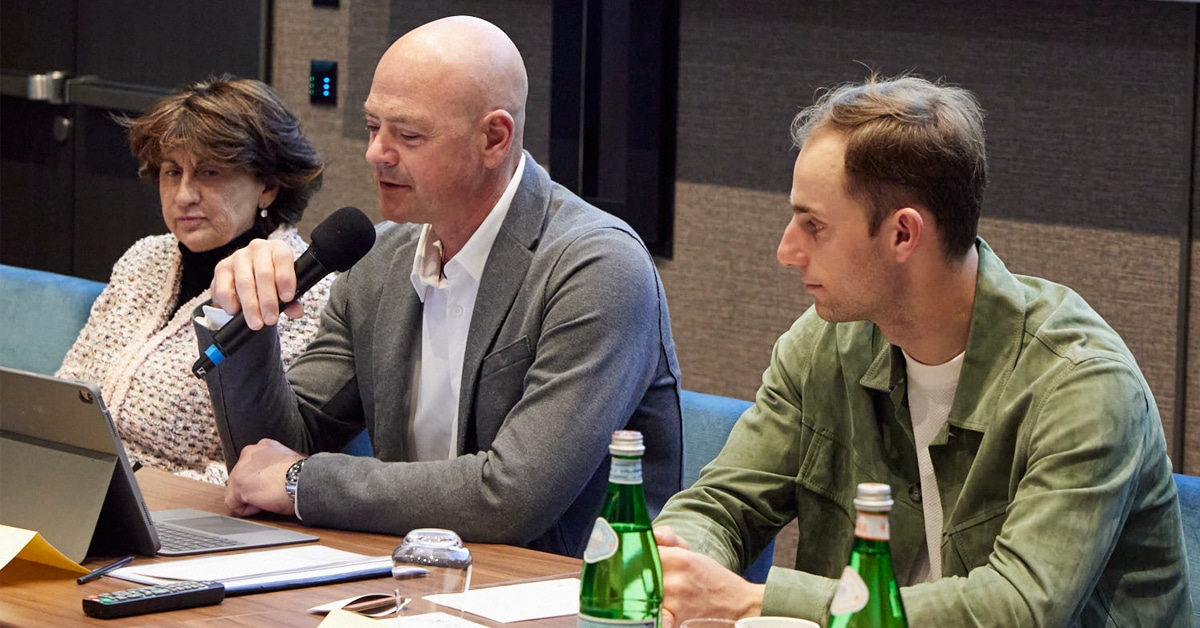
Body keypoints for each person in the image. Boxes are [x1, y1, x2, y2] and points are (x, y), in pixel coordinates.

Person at [651, 75, 1191, 626]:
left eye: (814, 225)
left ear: (904, 234)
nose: (787, 251)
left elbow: (1019, 609)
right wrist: (685, 564)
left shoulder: (1083, 385)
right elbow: (721, 506)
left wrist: (752, 600)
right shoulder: (823, 345)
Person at [194, 16, 682, 557]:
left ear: (493, 138)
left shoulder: (597, 266)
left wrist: (301, 483)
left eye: (407, 135)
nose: (376, 153)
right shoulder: (376, 257)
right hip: (407, 577)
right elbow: (275, 453)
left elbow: (512, 496)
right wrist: (242, 313)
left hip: (564, 593)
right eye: (372, 127)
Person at [57, 77, 331, 484]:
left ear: (268, 188)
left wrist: (139, 489)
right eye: (172, 172)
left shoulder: (303, 289)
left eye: (209, 172)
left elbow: (268, 463)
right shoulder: (143, 259)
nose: (184, 194)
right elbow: (67, 391)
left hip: (187, 514)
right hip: (78, 484)